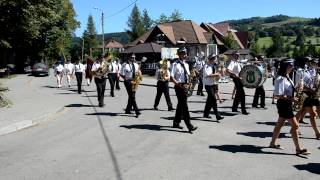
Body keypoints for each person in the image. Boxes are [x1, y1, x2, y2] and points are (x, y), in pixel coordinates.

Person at [269, 59, 311, 155]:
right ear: (285, 67)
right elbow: (278, 95)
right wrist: (292, 99)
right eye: (290, 66)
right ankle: (298, 149)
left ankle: (272, 143)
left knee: (279, 124)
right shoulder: (280, 78)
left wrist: (298, 87)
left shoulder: (287, 76)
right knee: (295, 126)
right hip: (283, 104)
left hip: (287, 103)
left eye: (292, 66)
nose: (292, 68)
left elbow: (289, 89)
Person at [170, 47, 197, 133]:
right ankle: (189, 125)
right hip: (179, 86)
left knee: (180, 105)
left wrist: (192, 80)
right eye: (183, 53)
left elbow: (188, 75)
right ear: (179, 54)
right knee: (184, 106)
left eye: (185, 53)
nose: (185, 55)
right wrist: (178, 84)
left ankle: (176, 122)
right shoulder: (175, 64)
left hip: (186, 86)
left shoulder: (186, 64)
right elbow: (171, 77)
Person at [295, 58, 320, 139]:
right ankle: (317, 133)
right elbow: (299, 84)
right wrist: (309, 89)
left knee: (301, 111)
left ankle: (295, 127)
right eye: (314, 63)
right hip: (305, 93)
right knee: (312, 114)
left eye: (317, 63)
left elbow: (317, 82)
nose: (316, 65)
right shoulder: (302, 71)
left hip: (314, 93)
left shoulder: (316, 72)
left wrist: (317, 87)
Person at [227, 51, 249, 115]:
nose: (238, 56)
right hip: (236, 79)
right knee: (242, 94)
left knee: (238, 94)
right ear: (233, 55)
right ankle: (243, 110)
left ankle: (234, 107)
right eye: (236, 55)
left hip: (240, 79)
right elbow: (228, 70)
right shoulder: (232, 62)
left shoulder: (238, 62)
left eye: (238, 55)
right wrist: (234, 74)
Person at [202, 54, 224, 121]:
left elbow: (221, 74)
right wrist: (217, 74)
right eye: (214, 59)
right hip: (208, 85)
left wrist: (222, 69)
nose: (215, 60)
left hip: (213, 84)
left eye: (215, 59)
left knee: (209, 100)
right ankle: (217, 115)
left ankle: (206, 113)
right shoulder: (206, 66)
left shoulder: (214, 66)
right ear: (210, 59)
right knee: (213, 99)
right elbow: (208, 75)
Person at [120, 53, 141, 118]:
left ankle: (128, 110)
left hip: (135, 81)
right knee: (132, 96)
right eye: (132, 57)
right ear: (128, 57)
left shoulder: (136, 64)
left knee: (131, 96)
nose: (133, 59)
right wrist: (128, 81)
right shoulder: (124, 65)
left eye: (134, 57)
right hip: (128, 81)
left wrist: (139, 74)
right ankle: (137, 111)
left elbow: (138, 71)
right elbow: (121, 74)